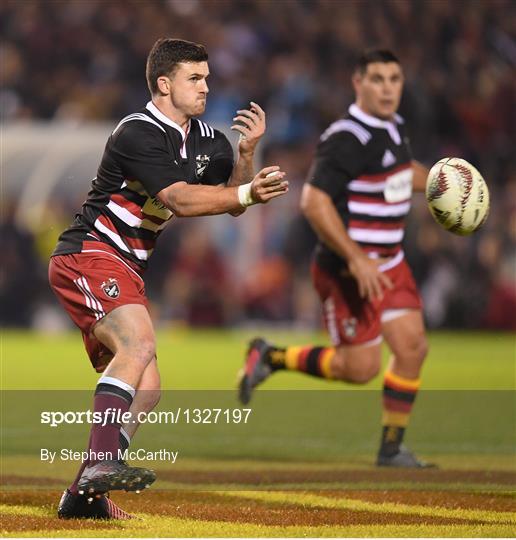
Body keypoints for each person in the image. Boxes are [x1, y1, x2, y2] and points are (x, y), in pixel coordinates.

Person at [48, 37, 288, 520]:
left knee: (150, 386)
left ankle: (82, 497)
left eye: (206, 77)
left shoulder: (209, 143)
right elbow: (180, 200)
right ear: (164, 84)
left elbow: (227, 202)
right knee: (138, 345)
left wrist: (245, 157)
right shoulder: (136, 132)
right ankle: (100, 464)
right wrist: (248, 193)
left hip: (130, 266)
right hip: (90, 252)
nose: (205, 87)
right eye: (194, 78)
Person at [238, 49, 435, 468]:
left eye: (394, 79)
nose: (387, 88)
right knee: (360, 368)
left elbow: (402, 171)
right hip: (350, 269)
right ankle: (271, 355)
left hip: (390, 262)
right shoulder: (346, 137)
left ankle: (391, 448)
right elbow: (313, 202)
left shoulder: (393, 127)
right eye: (377, 79)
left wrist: (444, 181)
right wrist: (357, 259)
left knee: (413, 347)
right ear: (357, 83)